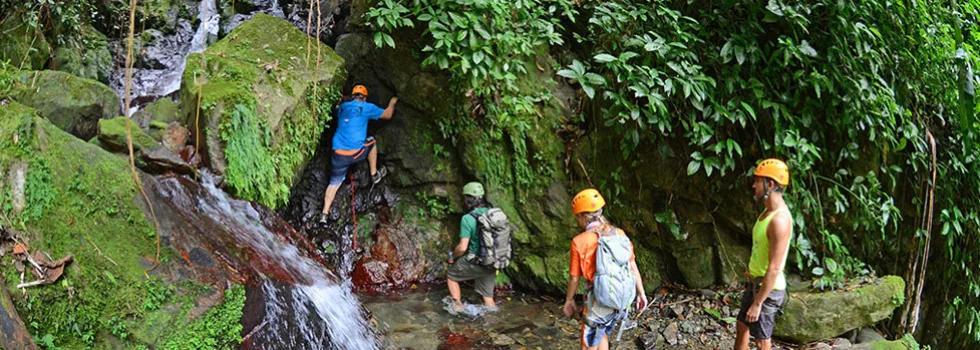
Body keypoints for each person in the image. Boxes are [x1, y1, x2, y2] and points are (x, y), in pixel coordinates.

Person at [563, 189, 648, 350]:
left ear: (582, 217)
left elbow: (574, 278)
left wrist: (569, 300)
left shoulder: (579, 241)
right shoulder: (620, 234)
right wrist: (641, 294)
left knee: (588, 343)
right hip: (621, 298)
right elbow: (632, 266)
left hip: (599, 299)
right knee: (601, 334)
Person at [735, 158, 794, 350]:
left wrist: (758, 303)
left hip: (768, 290)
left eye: (757, 181)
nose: (753, 185)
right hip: (756, 281)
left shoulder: (780, 221)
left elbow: (775, 267)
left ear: (770, 184)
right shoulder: (767, 212)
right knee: (742, 326)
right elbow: (761, 248)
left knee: (761, 340)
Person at [319, 85, 397, 223]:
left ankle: (324, 214)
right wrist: (392, 102)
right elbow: (388, 114)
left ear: (352, 96)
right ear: (364, 98)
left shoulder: (343, 107)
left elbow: (336, 110)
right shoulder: (367, 107)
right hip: (355, 152)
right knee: (372, 142)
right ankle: (374, 174)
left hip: (338, 153)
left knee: (334, 183)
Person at [446, 182, 497, 312]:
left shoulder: (468, 219)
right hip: (493, 261)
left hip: (477, 260)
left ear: (468, 199)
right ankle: (494, 327)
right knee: (488, 299)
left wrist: (452, 256)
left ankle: (457, 308)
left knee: (451, 276)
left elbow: (462, 248)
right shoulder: (493, 213)